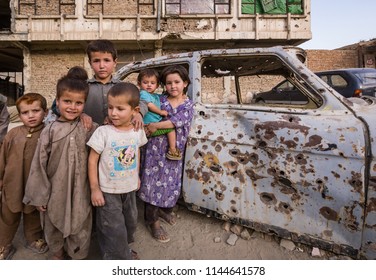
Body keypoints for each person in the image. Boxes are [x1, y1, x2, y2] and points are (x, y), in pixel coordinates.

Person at [23, 73, 98, 260]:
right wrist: (40, 195)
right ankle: (57, 253)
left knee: (80, 222)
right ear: (57, 101)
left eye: (78, 103)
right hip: (55, 189)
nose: (72, 107)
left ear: (84, 104)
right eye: (67, 101)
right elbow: (38, 164)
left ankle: (77, 255)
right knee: (52, 222)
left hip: (82, 189)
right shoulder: (50, 130)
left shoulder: (90, 128)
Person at [87, 82, 147, 259]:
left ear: (135, 110)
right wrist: (94, 189)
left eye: (120, 109)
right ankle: (117, 258)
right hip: (108, 191)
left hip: (129, 188)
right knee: (112, 227)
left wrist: (136, 177)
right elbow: (92, 160)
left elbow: (136, 152)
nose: (113, 113)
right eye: (111, 107)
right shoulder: (103, 132)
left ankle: (123, 249)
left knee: (129, 223)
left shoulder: (137, 131)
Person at [138, 65, 194, 243]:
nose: (173, 86)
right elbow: (147, 113)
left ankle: (163, 210)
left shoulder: (188, 104)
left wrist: (156, 125)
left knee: (169, 184)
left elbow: (177, 121)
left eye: (177, 82)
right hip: (154, 150)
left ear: (185, 83)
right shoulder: (159, 100)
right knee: (151, 184)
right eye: (168, 83)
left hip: (173, 152)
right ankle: (152, 221)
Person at [0, 93, 49, 260]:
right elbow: (3, 158)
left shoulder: (48, 133)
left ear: (46, 112)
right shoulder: (13, 133)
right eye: (25, 112)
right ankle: (4, 243)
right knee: (8, 214)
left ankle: (34, 238)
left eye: (36, 111)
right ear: (19, 115)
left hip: (35, 186)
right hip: (12, 184)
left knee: (33, 213)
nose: (31, 116)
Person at [138, 69, 181, 160]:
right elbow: (149, 105)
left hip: (153, 125)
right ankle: (173, 150)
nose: (149, 85)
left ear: (157, 85)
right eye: (145, 82)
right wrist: (160, 112)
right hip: (147, 126)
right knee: (170, 129)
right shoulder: (143, 93)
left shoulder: (156, 96)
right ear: (139, 84)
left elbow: (164, 96)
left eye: (152, 83)